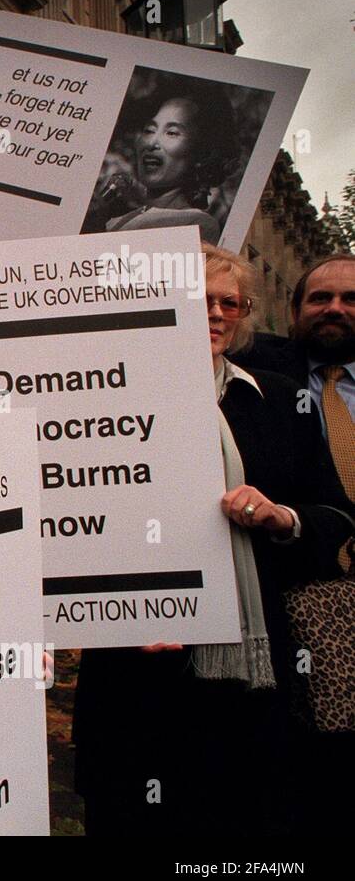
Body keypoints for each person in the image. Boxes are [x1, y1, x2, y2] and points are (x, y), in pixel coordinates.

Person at [72, 244, 353, 836]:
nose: (218, 314)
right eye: (200, 300)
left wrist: (284, 518)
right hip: (139, 665)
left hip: (254, 668)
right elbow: (72, 524)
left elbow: (336, 515)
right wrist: (117, 615)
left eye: (231, 302)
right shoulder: (101, 399)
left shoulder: (280, 399)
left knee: (244, 824)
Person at [237, 253, 355, 503]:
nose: (334, 308)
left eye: (351, 299)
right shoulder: (249, 362)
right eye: (320, 298)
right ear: (295, 311)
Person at [88, 84, 236, 243]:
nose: (151, 142)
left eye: (172, 133)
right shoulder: (117, 218)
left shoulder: (197, 224)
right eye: (149, 130)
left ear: (203, 153)